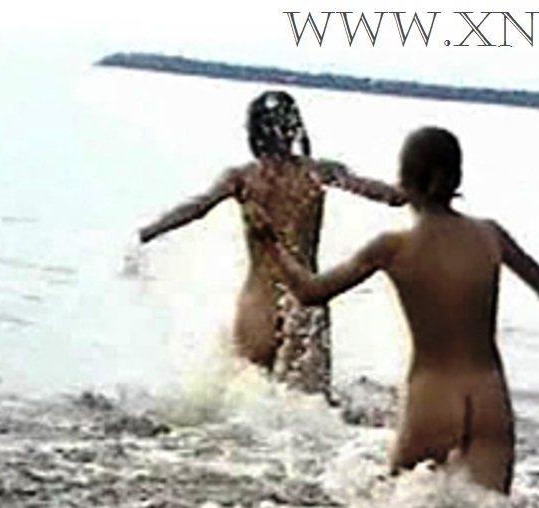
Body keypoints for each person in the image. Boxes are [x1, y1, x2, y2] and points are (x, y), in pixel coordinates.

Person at [260, 127, 539, 493]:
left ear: (404, 180)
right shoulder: (491, 235)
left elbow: (310, 292)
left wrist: (268, 242)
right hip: (490, 400)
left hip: (432, 397)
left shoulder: (394, 247)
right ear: (456, 178)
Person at [136, 90, 405, 397]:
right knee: (309, 405)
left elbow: (196, 208)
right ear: (295, 129)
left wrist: (147, 233)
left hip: (258, 304)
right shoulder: (319, 172)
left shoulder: (242, 178)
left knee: (245, 401)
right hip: (304, 301)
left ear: (253, 131)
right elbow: (390, 196)